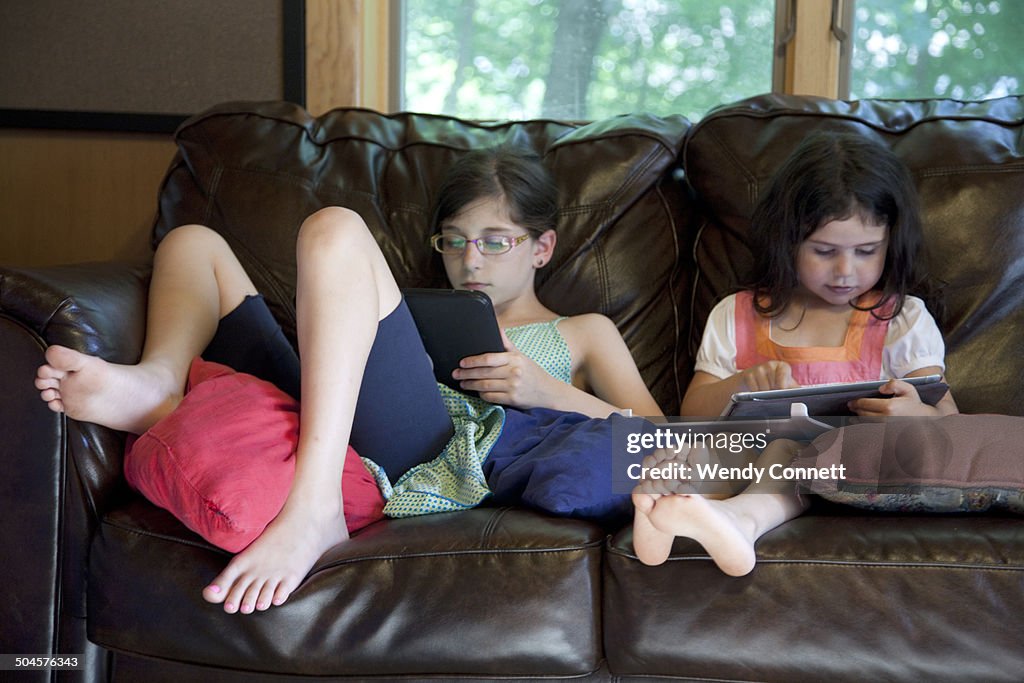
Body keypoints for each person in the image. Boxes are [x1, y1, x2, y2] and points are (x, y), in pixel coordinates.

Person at [35, 147, 663, 615]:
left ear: (543, 247)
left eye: (496, 242)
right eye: (454, 241)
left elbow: (672, 440)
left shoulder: (584, 332)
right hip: (333, 398)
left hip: (434, 444)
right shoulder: (409, 307)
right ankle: (156, 381)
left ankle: (315, 507)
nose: (470, 261)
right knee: (193, 241)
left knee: (334, 228)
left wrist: (549, 392)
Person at [631, 131, 960, 574]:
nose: (846, 271)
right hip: (751, 460)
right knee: (699, 450)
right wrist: (741, 383)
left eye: (866, 251)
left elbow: (952, 426)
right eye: (824, 252)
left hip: (852, 469)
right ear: (787, 240)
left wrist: (918, 418)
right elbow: (694, 411)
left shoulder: (900, 318)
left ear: (891, 242)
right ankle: (662, 510)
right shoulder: (737, 314)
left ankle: (740, 522)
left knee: (792, 449)